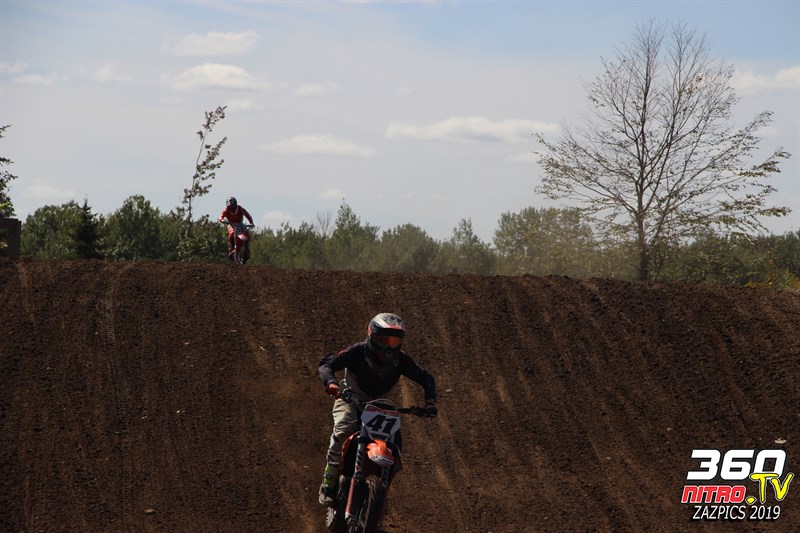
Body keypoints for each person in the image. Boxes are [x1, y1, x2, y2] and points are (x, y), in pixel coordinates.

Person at [317, 312, 437, 506]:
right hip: (351, 398)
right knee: (342, 430)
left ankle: (381, 494)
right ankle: (328, 481)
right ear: (372, 336)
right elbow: (327, 364)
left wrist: (430, 402)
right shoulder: (358, 351)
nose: (389, 347)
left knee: (395, 445)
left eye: (394, 342)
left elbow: (426, 377)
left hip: (380, 405)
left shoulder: (401, 360)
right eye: (384, 340)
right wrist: (331, 383)